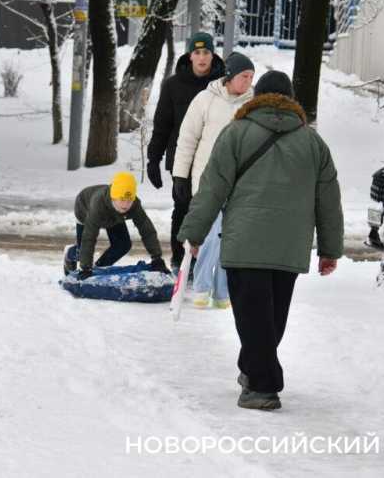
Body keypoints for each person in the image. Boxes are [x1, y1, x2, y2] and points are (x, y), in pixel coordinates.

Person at [177, 71, 344, 411]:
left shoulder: (235, 133)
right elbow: (328, 199)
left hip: (245, 241)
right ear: (291, 100)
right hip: (290, 245)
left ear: (257, 97)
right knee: (272, 318)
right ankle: (252, 371)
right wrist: (329, 250)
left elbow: (213, 188)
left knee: (254, 318)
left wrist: (193, 233)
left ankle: (263, 386)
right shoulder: (313, 143)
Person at [171, 52, 255, 309]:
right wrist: (180, 176)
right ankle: (202, 287)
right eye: (244, 76)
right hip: (208, 181)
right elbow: (187, 139)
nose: (248, 82)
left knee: (231, 239)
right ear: (230, 76)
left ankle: (222, 293)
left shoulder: (253, 103)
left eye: (252, 77)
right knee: (210, 237)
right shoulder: (205, 100)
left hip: (240, 183)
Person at [147, 32, 226, 272]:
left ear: (213, 55)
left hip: (215, 160)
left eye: (206, 53)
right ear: (190, 55)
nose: (202, 58)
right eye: (197, 53)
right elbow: (162, 124)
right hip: (182, 160)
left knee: (212, 211)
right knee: (183, 208)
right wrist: (154, 159)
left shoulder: (223, 84)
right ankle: (181, 259)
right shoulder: (173, 85)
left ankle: (210, 261)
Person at [64, 172, 170, 280]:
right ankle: (70, 253)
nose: (126, 205)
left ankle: (99, 267)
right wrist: (85, 268)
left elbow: (147, 230)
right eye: (122, 200)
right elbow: (89, 238)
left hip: (114, 216)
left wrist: (157, 258)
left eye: (129, 201)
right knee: (82, 250)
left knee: (123, 245)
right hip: (84, 208)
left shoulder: (134, 205)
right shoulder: (98, 205)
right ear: (114, 197)